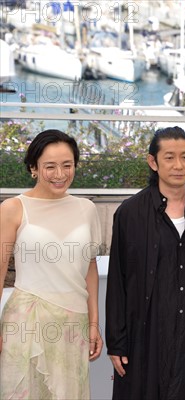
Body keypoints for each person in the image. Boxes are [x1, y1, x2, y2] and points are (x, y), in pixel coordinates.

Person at [105, 126, 185, 399]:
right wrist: (116, 341)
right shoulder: (130, 213)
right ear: (153, 162)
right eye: (169, 157)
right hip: (145, 333)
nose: (178, 165)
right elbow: (118, 280)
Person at [0, 129, 103, 399]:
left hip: (73, 324)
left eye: (67, 165)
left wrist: (94, 323)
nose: (60, 174)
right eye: (50, 166)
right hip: (26, 322)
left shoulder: (87, 209)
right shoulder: (13, 208)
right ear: (33, 168)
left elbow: (90, 268)